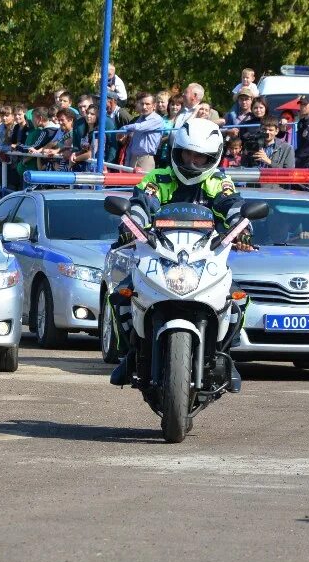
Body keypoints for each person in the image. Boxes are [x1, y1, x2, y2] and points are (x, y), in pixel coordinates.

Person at [108, 119, 251, 386]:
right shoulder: (158, 178)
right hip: (159, 253)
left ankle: (226, 355)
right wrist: (131, 224)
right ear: (176, 151)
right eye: (187, 153)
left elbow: (233, 204)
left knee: (238, 299)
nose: (193, 162)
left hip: (205, 257)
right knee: (121, 296)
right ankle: (130, 354)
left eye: (201, 157)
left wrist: (242, 226)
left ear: (214, 157)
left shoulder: (219, 181)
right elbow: (141, 203)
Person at [120, 92, 164, 171]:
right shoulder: (139, 119)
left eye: (147, 104)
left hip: (146, 159)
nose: (144, 107)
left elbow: (139, 127)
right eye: (142, 104)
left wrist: (123, 129)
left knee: (145, 183)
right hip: (133, 158)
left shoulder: (157, 119)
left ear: (154, 106)